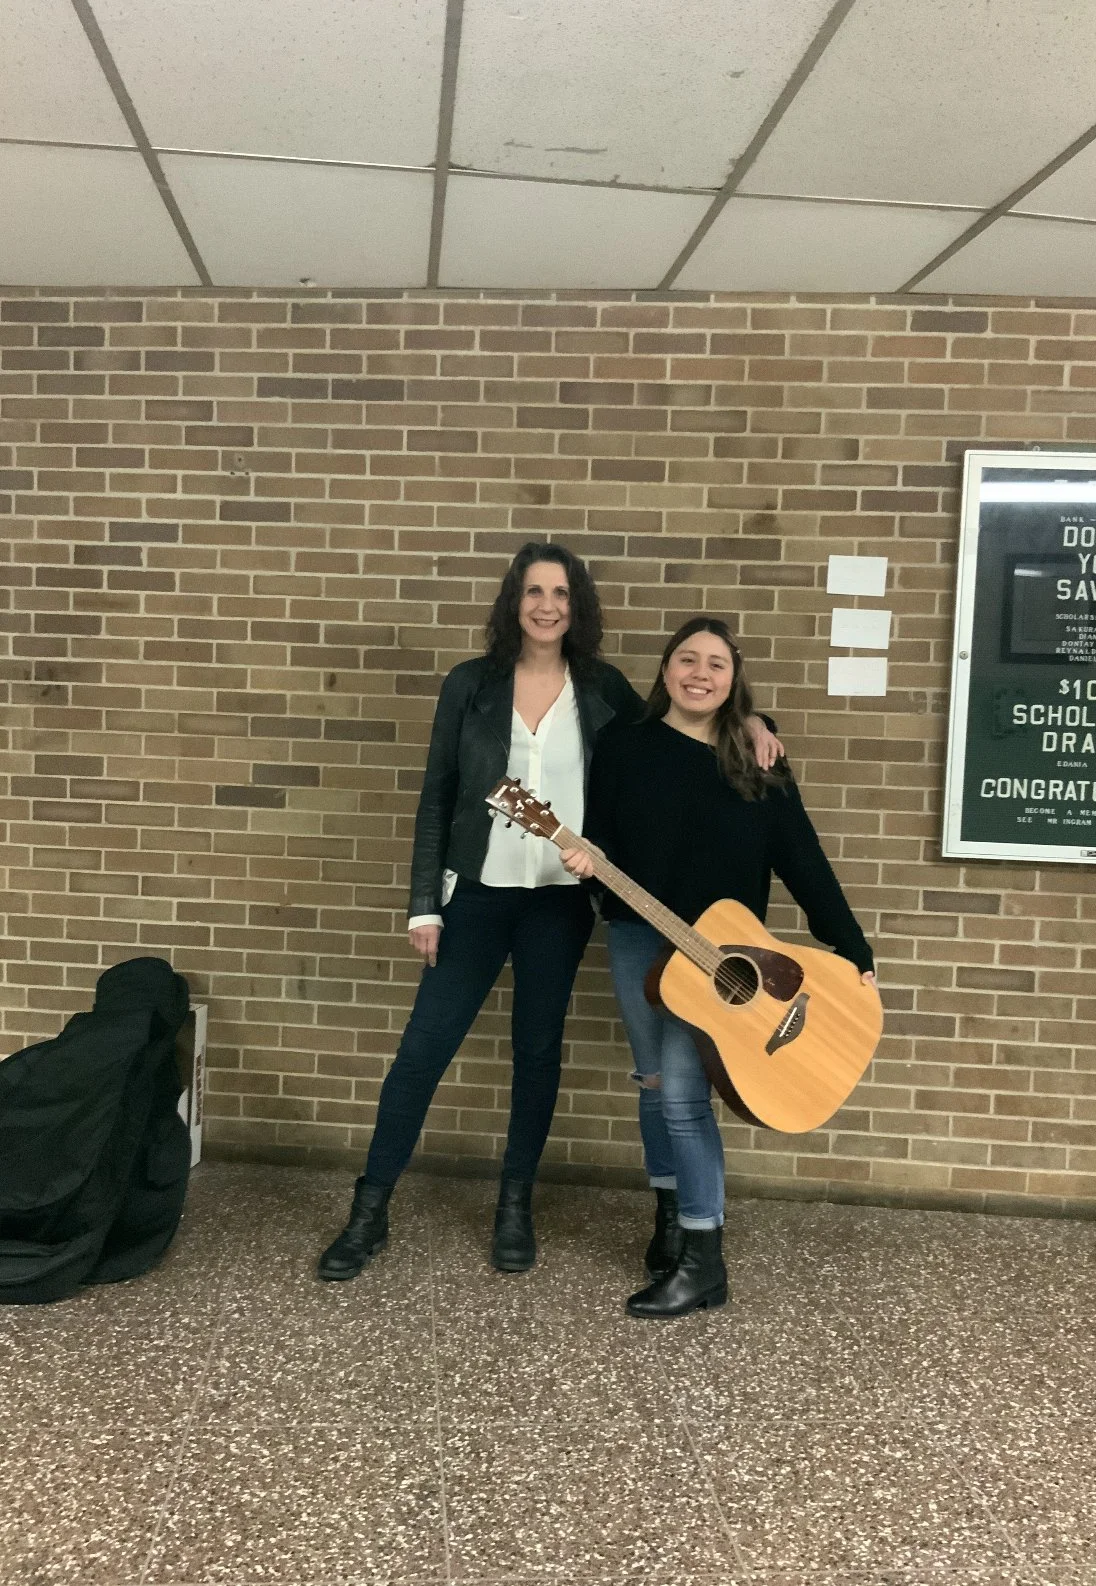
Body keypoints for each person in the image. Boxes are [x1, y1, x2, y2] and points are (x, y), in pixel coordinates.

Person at [318, 548, 782, 1282]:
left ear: (578, 605)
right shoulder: (469, 685)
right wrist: (421, 908)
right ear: (513, 600)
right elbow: (438, 793)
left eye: (560, 592)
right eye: (533, 591)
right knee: (419, 1055)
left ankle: (514, 1207)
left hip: (560, 907)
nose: (546, 605)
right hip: (473, 896)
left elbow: (678, 727)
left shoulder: (599, 688)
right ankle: (369, 1210)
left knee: (536, 1055)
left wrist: (753, 716)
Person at [561, 616, 877, 1320]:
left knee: (681, 1097)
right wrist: (588, 863)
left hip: (719, 965)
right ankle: (670, 1218)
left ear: (734, 681)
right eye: (686, 659)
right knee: (651, 1085)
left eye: (715, 664)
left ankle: (703, 1259)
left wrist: (852, 950)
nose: (699, 673)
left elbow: (803, 860)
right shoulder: (623, 745)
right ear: (665, 669)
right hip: (639, 940)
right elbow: (603, 836)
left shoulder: (755, 756)